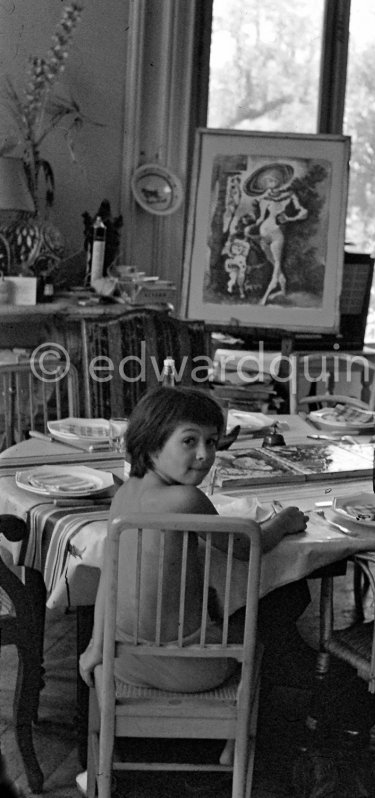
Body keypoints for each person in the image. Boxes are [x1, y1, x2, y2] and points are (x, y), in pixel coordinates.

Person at [78, 386, 310, 769]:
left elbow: (110, 574)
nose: (205, 455)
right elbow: (249, 546)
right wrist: (283, 521)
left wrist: (94, 644)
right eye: (189, 441)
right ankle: (237, 742)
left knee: (212, 606)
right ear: (151, 445)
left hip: (120, 659)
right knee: (280, 607)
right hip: (190, 668)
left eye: (212, 442)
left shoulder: (123, 495)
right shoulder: (187, 499)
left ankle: (109, 754)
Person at [242, 162, 308, 305]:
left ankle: (266, 294)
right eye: (267, 181)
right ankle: (282, 290)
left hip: (276, 234)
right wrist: (250, 227)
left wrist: (290, 218)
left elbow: (304, 212)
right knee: (274, 264)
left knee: (277, 263)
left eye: (272, 180)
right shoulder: (264, 199)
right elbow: (260, 219)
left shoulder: (289, 196)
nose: (269, 183)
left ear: (279, 181)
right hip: (263, 236)